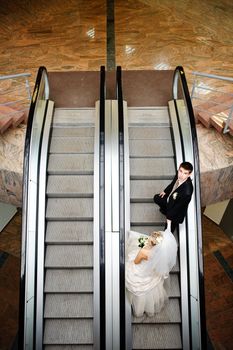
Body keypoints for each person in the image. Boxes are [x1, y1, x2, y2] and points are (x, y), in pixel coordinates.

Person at [125, 227, 177, 317]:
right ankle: (147, 306)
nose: (148, 237)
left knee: (139, 292)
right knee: (148, 293)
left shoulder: (143, 252)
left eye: (150, 237)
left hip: (140, 271)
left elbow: (136, 262)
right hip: (150, 273)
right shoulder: (159, 254)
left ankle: (138, 310)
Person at [153, 161, 193, 233]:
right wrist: (165, 191)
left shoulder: (187, 192)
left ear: (189, 174)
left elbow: (178, 208)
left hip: (175, 213)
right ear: (179, 169)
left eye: (185, 173)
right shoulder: (178, 175)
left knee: (167, 232)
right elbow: (172, 184)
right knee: (157, 198)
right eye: (180, 171)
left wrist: (169, 218)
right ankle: (165, 210)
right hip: (170, 201)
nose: (181, 175)